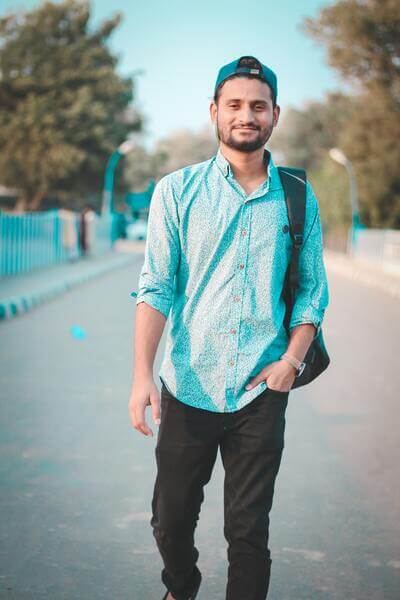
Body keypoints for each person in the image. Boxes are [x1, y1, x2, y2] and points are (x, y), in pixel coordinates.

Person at [128, 55, 329, 600]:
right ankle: (182, 587)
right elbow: (156, 287)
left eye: (258, 106)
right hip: (188, 386)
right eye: (235, 105)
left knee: (248, 532)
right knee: (169, 521)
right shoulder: (177, 191)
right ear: (214, 111)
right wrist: (142, 376)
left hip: (260, 391)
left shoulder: (297, 197)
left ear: (275, 115)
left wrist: (290, 363)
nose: (247, 115)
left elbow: (312, 291)